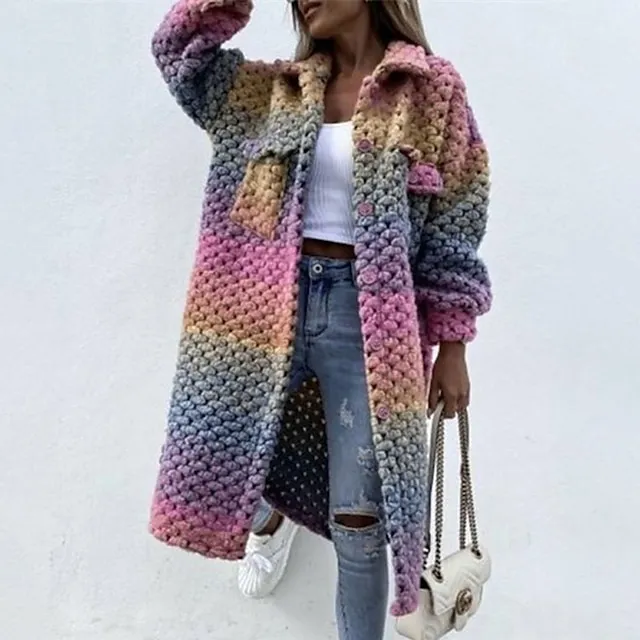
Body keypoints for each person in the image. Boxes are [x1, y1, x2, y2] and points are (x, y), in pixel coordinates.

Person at [148, 1, 492, 638]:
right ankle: (270, 516)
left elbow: (456, 220)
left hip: (369, 325)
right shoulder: (271, 92)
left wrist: (454, 345)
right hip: (256, 313)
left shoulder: (428, 89)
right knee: (225, 454)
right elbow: (178, 55)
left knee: (361, 522)